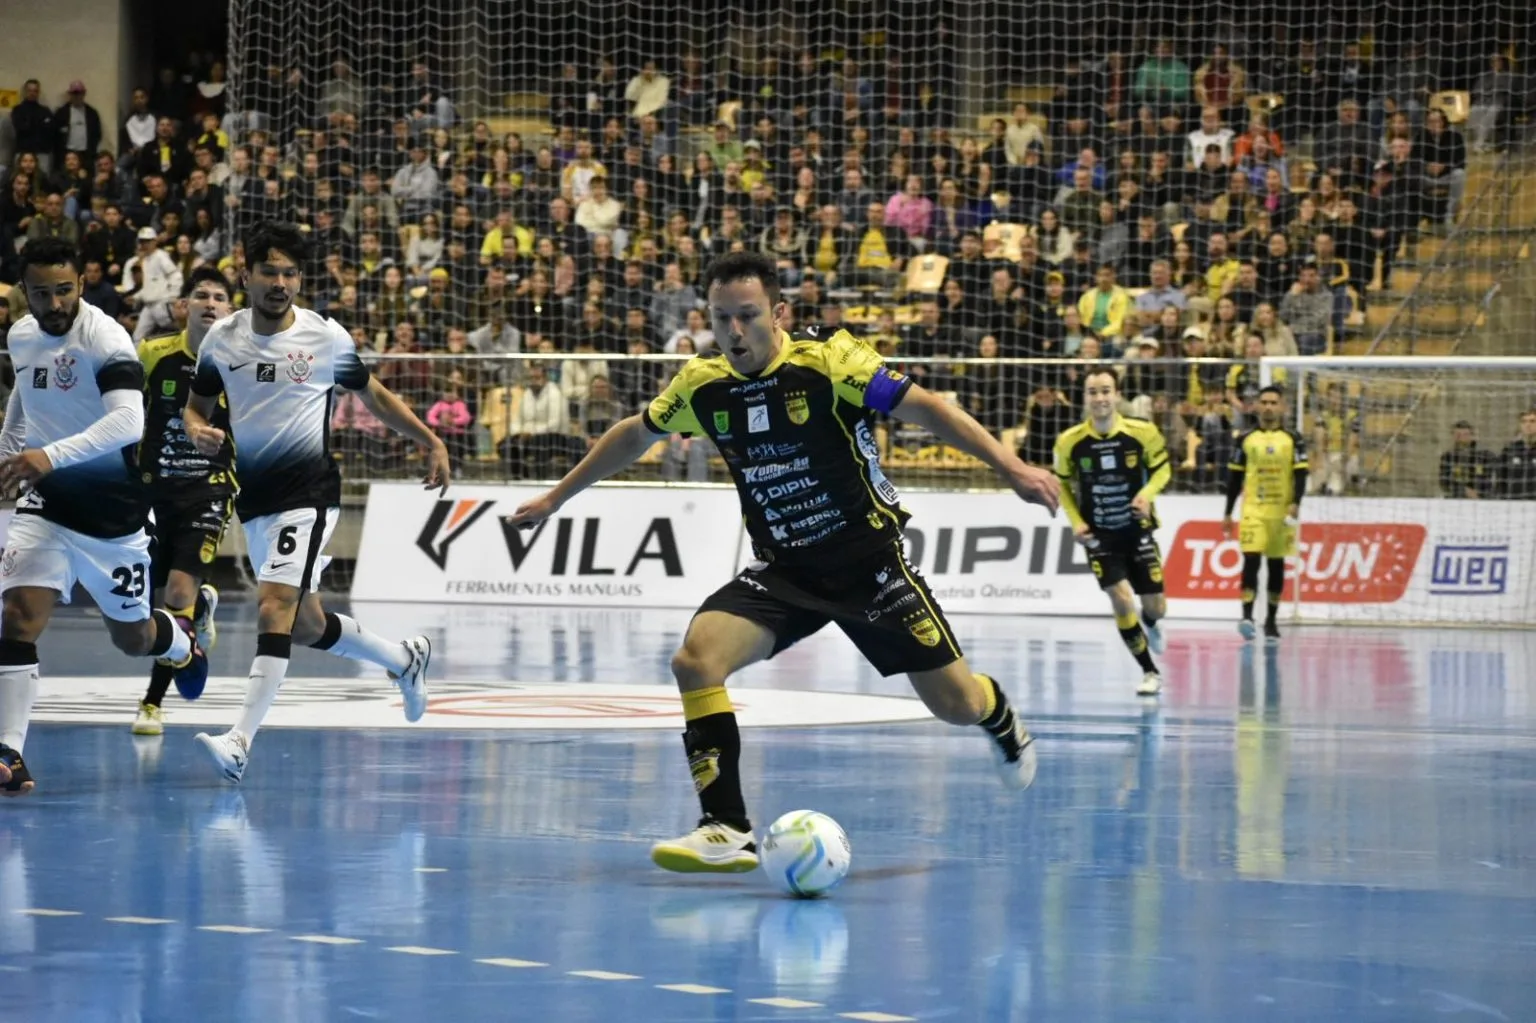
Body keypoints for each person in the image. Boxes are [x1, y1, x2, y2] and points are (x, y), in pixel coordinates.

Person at [509, 251, 1060, 874]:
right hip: (784, 572)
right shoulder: (703, 384)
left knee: (957, 705)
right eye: (722, 319)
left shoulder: (831, 363)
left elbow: (926, 408)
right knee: (695, 659)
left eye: (747, 316)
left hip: (869, 566)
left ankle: (1001, 715)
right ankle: (725, 826)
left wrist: (1011, 468)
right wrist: (557, 496)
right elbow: (637, 434)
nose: (735, 332)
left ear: (779, 314)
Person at [183, 222, 450, 782]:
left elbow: (371, 393)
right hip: (254, 498)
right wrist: (195, 429)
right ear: (246, 275)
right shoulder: (222, 341)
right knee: (305, 623)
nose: (280, 283)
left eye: (290, 274)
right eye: (269, 272)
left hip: (309, 491)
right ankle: (405, 661)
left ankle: (240, 741)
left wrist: (429, 439)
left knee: (273, 606)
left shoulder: (324, 336)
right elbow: (196, 406)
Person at [0, 237, 207, 796]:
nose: (55, 303)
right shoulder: (20, 336)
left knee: (134, 638)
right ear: (26, 293)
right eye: (41, 293)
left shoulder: (106, 338)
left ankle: (183, 641)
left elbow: (128, 424)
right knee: (17, 617)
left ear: (81, 286)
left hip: (113, 517)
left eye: (64, 290)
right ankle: (9, 754)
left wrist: (48, 455)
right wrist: (10, 458)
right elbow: (24, 402)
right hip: (45, 504)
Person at [131, 267, 237, 736]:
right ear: (183, 307)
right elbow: (123, 412)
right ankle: (202, 610)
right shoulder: (152, 354)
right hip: (153, 492)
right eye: (201, 296)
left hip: (209, 489)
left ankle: (152, 703)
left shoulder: (242, 363)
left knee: (176, 594)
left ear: (231, 311)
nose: (210, 303)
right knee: (149, 607)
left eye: (219, 297)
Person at [1052, 368, 1170, 698]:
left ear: (1117, 395)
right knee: (1120, 599)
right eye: (1093, 392)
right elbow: (1062, 483)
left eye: (1106, 391)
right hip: (1099, 536)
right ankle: (1149, 671)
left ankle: (1152, 622)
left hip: (1138, 529)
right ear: (1085, 398)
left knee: (1156, 606)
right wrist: (1076, 520)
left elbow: (1163, 469)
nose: (1100, 398)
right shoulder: (1070, 441)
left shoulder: (1142, 432)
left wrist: (1147, 494)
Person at [1223, 386, 1308, 642]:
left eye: (1273, 402)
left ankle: (1271, 620)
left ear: (1282, 407)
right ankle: (1247, 616)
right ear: (1257, 406)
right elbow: (1235, 477)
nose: (1269, 407)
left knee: (1276, 565)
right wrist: (1227, 512)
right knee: (1250, 560)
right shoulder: (1245, 438)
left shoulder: (1294, 438)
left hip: (1281, 512)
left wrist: (1296, 502)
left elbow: (1301, 473)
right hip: (1254, 511)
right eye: (1264, 402)